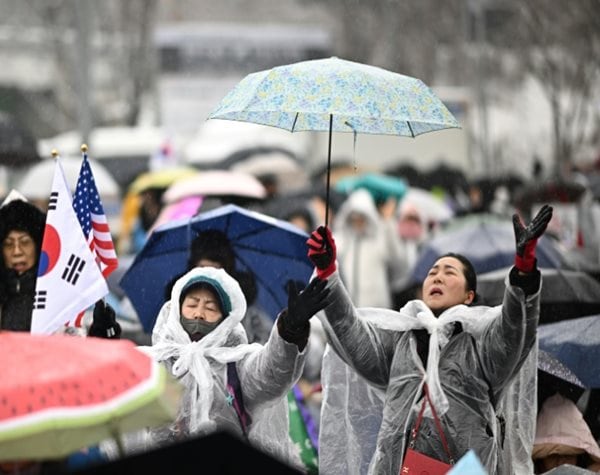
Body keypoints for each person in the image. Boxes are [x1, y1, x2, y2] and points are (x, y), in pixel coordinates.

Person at [305, 205, 553, 474]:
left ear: (469, 296)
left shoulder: (480, 344)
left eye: (450, 272)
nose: (438, 276)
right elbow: (350, 332)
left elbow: (514, 331)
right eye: (433, 271)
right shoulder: (402, 340)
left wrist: (524, 271)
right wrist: (328, 272)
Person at [142, 266, 328, 468]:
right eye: (192, 305)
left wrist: (291, 328)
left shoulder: (236, 363)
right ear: (177, 311)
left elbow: (271, 373)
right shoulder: (156, 363)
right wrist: (105, 336)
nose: (199, 314)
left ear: (225, 319)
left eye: (211, 308)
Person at [0, 196, 120, 337]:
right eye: (8, 244)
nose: (17, 251)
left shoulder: (59, 295)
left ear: (39, 246)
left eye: (25, 242)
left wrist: (102, 333)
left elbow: (76, 351)